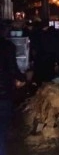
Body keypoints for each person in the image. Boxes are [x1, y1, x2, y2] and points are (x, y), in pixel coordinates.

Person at [0, 19, 26, 155]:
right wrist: (23, 78)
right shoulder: (8, 46)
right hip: (3, 95)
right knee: (1, 132)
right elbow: (13, 69)